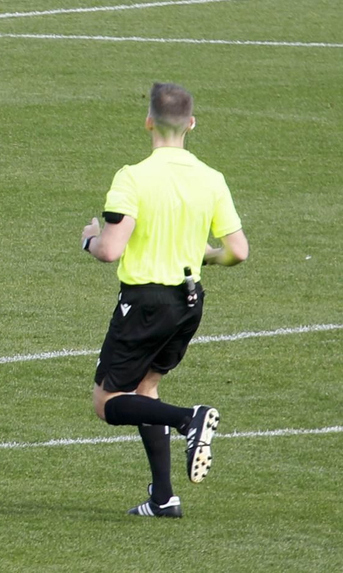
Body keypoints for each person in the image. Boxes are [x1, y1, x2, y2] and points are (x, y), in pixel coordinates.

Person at [81, 82, 249, 518]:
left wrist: (89, 240)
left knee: (107, 402)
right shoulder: (212, 179)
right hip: (189, 302)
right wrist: (206, 256)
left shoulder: (133, 177)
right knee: (146, 388)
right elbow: (238, 251)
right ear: (191, 123)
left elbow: (110, 250)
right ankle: (163, 498)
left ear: (149, 121)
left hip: (145, 304)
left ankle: (188, 418)